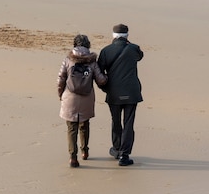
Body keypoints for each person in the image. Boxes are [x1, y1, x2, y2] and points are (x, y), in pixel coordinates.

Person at [57, 34, 107, 168]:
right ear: (88, 45)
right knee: (84, 126)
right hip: (86, 98)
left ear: (75, 45)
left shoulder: (68, 59)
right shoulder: (92, 61)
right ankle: (85, 151)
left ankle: (73, 157)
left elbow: (61, 79)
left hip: (70, 97)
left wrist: (60, 94)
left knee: (71, 128)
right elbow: (101, 80)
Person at [97, 23, 144, 166]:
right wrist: (128, 43)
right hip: (131, 92)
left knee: (116, 122)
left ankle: (117, 150)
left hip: (114, 93)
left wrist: (105, 89)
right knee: (128, 123)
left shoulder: (106, 51)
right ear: (127, 36)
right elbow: (140, 56)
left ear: (113, 36)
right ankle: (125, 155)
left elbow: (99, 73)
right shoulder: (133, 48)